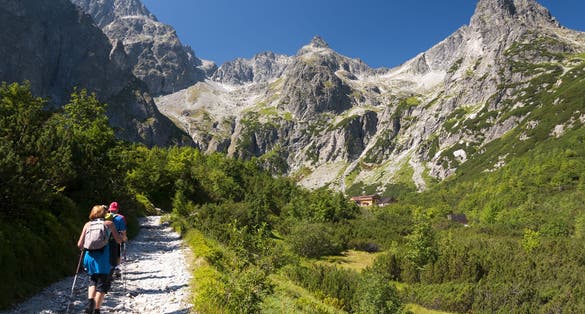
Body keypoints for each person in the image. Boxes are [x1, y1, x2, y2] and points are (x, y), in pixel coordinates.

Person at [77, 205, 123, 314]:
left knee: (93, 280)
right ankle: (97, 310)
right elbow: (118, 240)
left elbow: (79, 244)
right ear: (104, 213)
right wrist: (121, 237)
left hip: (89, 257)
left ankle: (90, 303)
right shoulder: (109, 224)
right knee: (103, 284)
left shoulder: (87, 224)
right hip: (103, 257)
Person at [106, 201, 127, 278]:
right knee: (117, 253)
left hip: (103, 239)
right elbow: (123, 231)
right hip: (116, 238)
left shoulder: (104, 216)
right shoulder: (120, 218)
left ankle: (107, 270)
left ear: (109, 209)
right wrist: (124, 238)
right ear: (117, 209)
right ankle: (116, 268)